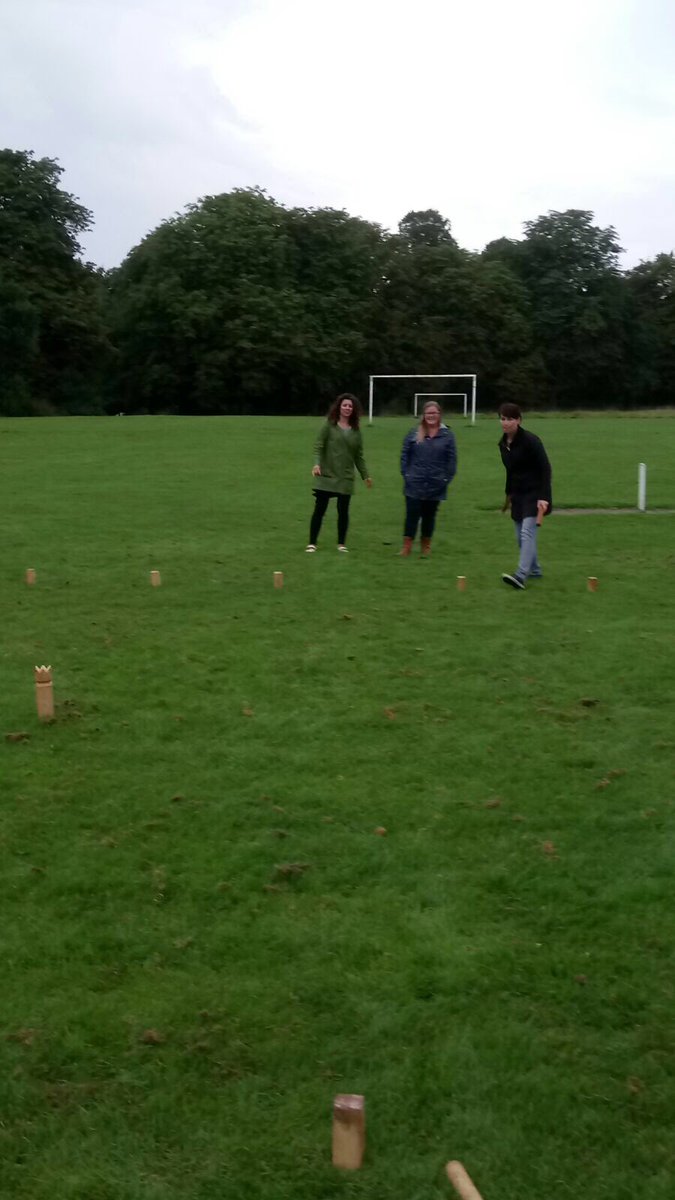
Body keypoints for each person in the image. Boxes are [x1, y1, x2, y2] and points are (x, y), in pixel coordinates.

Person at [306, 394, 372, 552]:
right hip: (327, 475)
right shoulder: (329, 425)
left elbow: (358, 457)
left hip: (345, 477)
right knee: (319, 509)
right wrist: (316, 464)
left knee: (343, 512)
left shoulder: (356, 431)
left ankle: (341, 544)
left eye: (350, 406)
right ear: (339, 407)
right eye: (345, 405)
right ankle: (312, 543)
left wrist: (366, 476)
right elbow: (318, 446)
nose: (347, 408)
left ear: (353, 409)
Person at [498, 402, 552, 589]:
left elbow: (545, 468)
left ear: (519, 420)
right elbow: (510, 472)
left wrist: (544, 497)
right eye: (503, 419)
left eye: (510, 419)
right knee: (521, 537)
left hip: (536, 493)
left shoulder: (531, 441)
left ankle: (520, 575)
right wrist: (508, 496)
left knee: (527, 532)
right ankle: (535, 569)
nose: (506, 423)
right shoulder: (503, 444)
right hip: (518, 494)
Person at [399, 401, 457, 557]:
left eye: (434, 413)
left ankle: (426, 546)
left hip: (436, 484)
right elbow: (405, 455)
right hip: (414, 483)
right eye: (428, 413)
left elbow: (452, 461)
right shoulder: (413, 433)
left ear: (439, 415)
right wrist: (407, 474)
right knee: (412, 514)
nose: (431, 416)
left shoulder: (447, 436)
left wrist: (445, 479)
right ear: (424, 415)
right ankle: (407, 547)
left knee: (429, 516)